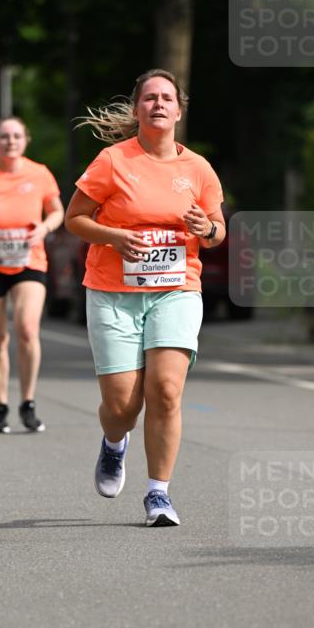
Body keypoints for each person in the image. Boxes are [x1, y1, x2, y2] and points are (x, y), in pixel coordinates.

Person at [65, 69, 225, 527]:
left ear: (179, 109)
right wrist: (113, 237)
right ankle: (115, 443)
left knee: (166, 391)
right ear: (137, 109)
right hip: (114, 292)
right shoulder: (113, 161)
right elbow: (75, 218)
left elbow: (217, 232)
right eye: (149, 98)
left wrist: (206, 230)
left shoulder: (197, 169)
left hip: (176, 290)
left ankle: (158, 493)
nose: (158, 104)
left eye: (166, 98)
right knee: (122, 407)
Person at [0, 117, 64, 434]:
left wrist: (45, 228)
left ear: (26, 140)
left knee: (26, 328)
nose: (10, 142)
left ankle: (27, 402)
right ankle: (0, 405)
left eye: (16, 136)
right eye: (4, 137)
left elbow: (57, 210)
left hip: (28, 259)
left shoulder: (39, 173)